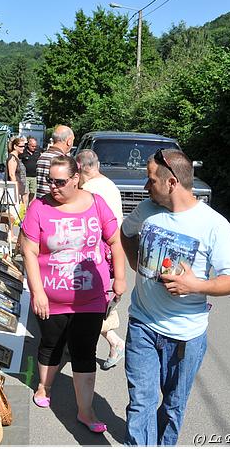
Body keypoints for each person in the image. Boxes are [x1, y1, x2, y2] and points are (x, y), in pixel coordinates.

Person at [120, 148, 230, 446]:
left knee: (173, 408)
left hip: (186, 337)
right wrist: (136, 262)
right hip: (143, 325)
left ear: (171, 182)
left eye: (150, 180)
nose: (146, 187)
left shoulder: (214, 225)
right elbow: (125, 232)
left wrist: (194, 286)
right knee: (141, 403)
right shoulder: (147, 210)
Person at [19, 155, 127, 434]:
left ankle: (85, 410)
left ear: (76, 178)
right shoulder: (39, 207)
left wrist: (120, 278)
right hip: (51, 298)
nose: (53, 187)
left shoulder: (96, 204)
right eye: (49, 181)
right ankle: (45, 385)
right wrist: (37, 291)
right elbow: (29, 252)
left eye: (60, 182)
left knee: (85, 352)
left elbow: (115, 242)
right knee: (51, 345)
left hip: (91, 297)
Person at [76, 149, 126, 370]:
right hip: (112, 251)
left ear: (79, 167)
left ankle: (115, 342)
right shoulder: (109, 184)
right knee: (99, 302)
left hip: (99, 252)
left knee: (94, 302)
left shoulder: (89, 189)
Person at [35, 125, 74, 199]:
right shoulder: (62, 160)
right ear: (69, 141)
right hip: (54, 203)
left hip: (40, 201)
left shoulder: (42, 156)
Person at [6, 136, 27, 204]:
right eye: (21, 146)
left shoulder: (17, 157)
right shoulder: (12, 158)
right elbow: (12, 175)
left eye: (24, 146)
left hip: (20, 189)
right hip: (16, 190)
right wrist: (15, 192)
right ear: (15, 146)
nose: (23, 148)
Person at [21, 137, 41, 202]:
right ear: (28, 145)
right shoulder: (23, 151)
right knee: (25, 193)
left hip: (34, 176)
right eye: (32, 146)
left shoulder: (38, 151)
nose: (34, 148)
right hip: (25, 176)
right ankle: (25, 208)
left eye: (35, 146)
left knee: (33, 192)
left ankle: (30, 206)